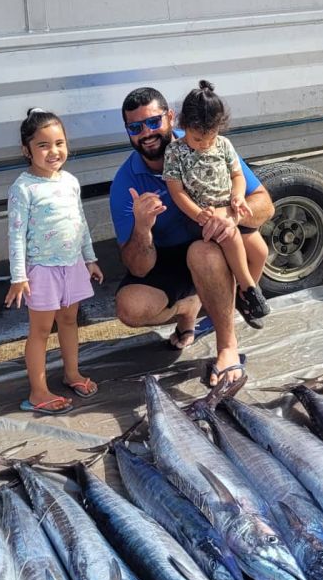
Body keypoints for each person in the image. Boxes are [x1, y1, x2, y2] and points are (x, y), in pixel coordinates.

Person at [110, 87, 274, 386]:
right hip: (168, 257)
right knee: (129, 307)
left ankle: (228, 347)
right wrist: (143, 228)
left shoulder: (211, 142)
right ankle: (190, 306)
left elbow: (264, 203)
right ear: (128, 132)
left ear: (171, 118)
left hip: (209, 245)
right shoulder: (125, 182)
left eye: (153, 122)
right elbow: (138, 267)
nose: (145, 133)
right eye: (135, 127)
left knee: (219, 250)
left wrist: (232, 215)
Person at [4, 107, 103, 414]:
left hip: (71, 265)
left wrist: (90, 259)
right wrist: (19, 277)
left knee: (70, 320)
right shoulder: (23, 188)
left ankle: (71, 373)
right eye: (43, 145)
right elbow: (16, 235)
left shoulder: (70, 181)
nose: (53, 151)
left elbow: (80, 223)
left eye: (59, 143)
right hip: (42, 271)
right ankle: (38, 391)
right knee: (41, 331)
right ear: (26, 150)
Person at [162, 80, 271, 324]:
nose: (204, 145)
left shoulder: (223, 145)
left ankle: (244, 298)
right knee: (231, 236)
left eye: (209, 138)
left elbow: (237, 176)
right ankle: (250, 290)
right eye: (197, 139)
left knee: (260, 250)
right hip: (200, 218)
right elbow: (176, 191)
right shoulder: (175, 152)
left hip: (229, 210)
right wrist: (199, 214)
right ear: (184, 125)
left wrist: (238, 196)